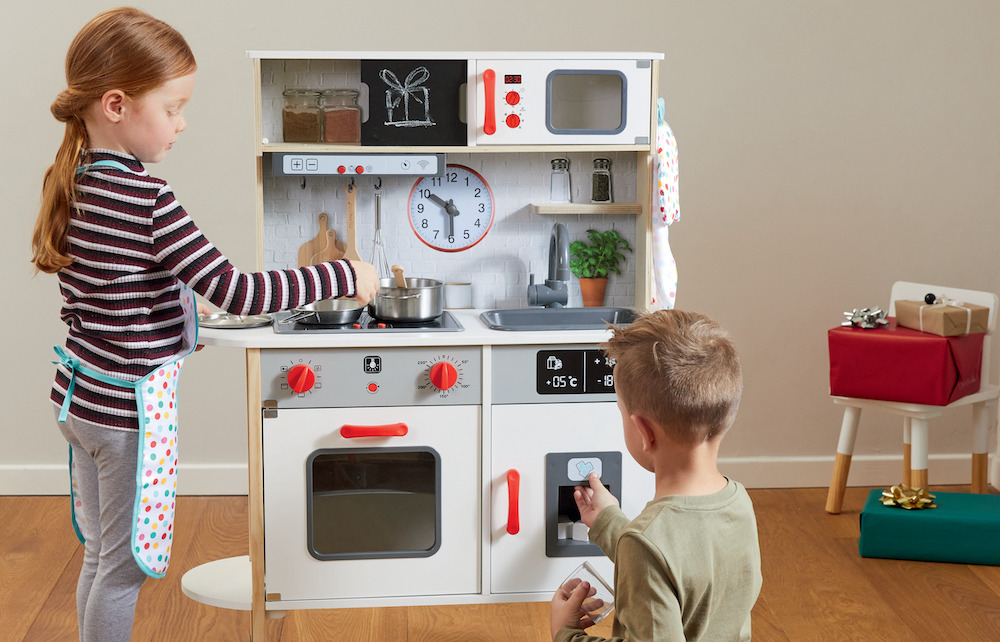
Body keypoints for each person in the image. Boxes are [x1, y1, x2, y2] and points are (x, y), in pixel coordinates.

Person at [30, 8, 378, 642]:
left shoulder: (74, 182)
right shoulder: (149, 199)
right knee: (126, 568)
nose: (182, 123)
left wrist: (184, 316)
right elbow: (242, 292)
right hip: (126, 410)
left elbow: (119, 296)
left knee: (101, 557)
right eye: (172, 107)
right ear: (116, 105)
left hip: (80, 398)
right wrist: (344, 277)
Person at [550, 310, 762, 641]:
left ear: (644, 432)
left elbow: (655, 552)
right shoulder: (738, 502)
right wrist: (608, 520)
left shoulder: (645, 544)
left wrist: (566, 633)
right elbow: (678, 558)